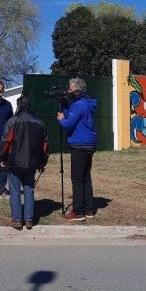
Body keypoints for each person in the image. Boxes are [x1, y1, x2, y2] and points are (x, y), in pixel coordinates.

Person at [0, 96, 49, 230]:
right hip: (32, 162)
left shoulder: (12, 121)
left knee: (14, 191)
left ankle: (17, 220)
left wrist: (2, 158)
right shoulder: (39, 122)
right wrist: (42, 162)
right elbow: (45, 146)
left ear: (18, 106)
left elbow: (5, 142)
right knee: (29, 190)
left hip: (14, 162)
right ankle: (29, 220)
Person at [57, 77, 97, 222]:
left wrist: (61, 119)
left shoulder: (79, 104)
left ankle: (78, 212)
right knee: (86, 177)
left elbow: (68, 124)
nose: (68, 91)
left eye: (70, 88)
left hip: (79, 145)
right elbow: (73, 117)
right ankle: (89, 210)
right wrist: (64, 105)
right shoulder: (85, 103)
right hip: (88, 144)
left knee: (77, 179)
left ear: (77, 90)